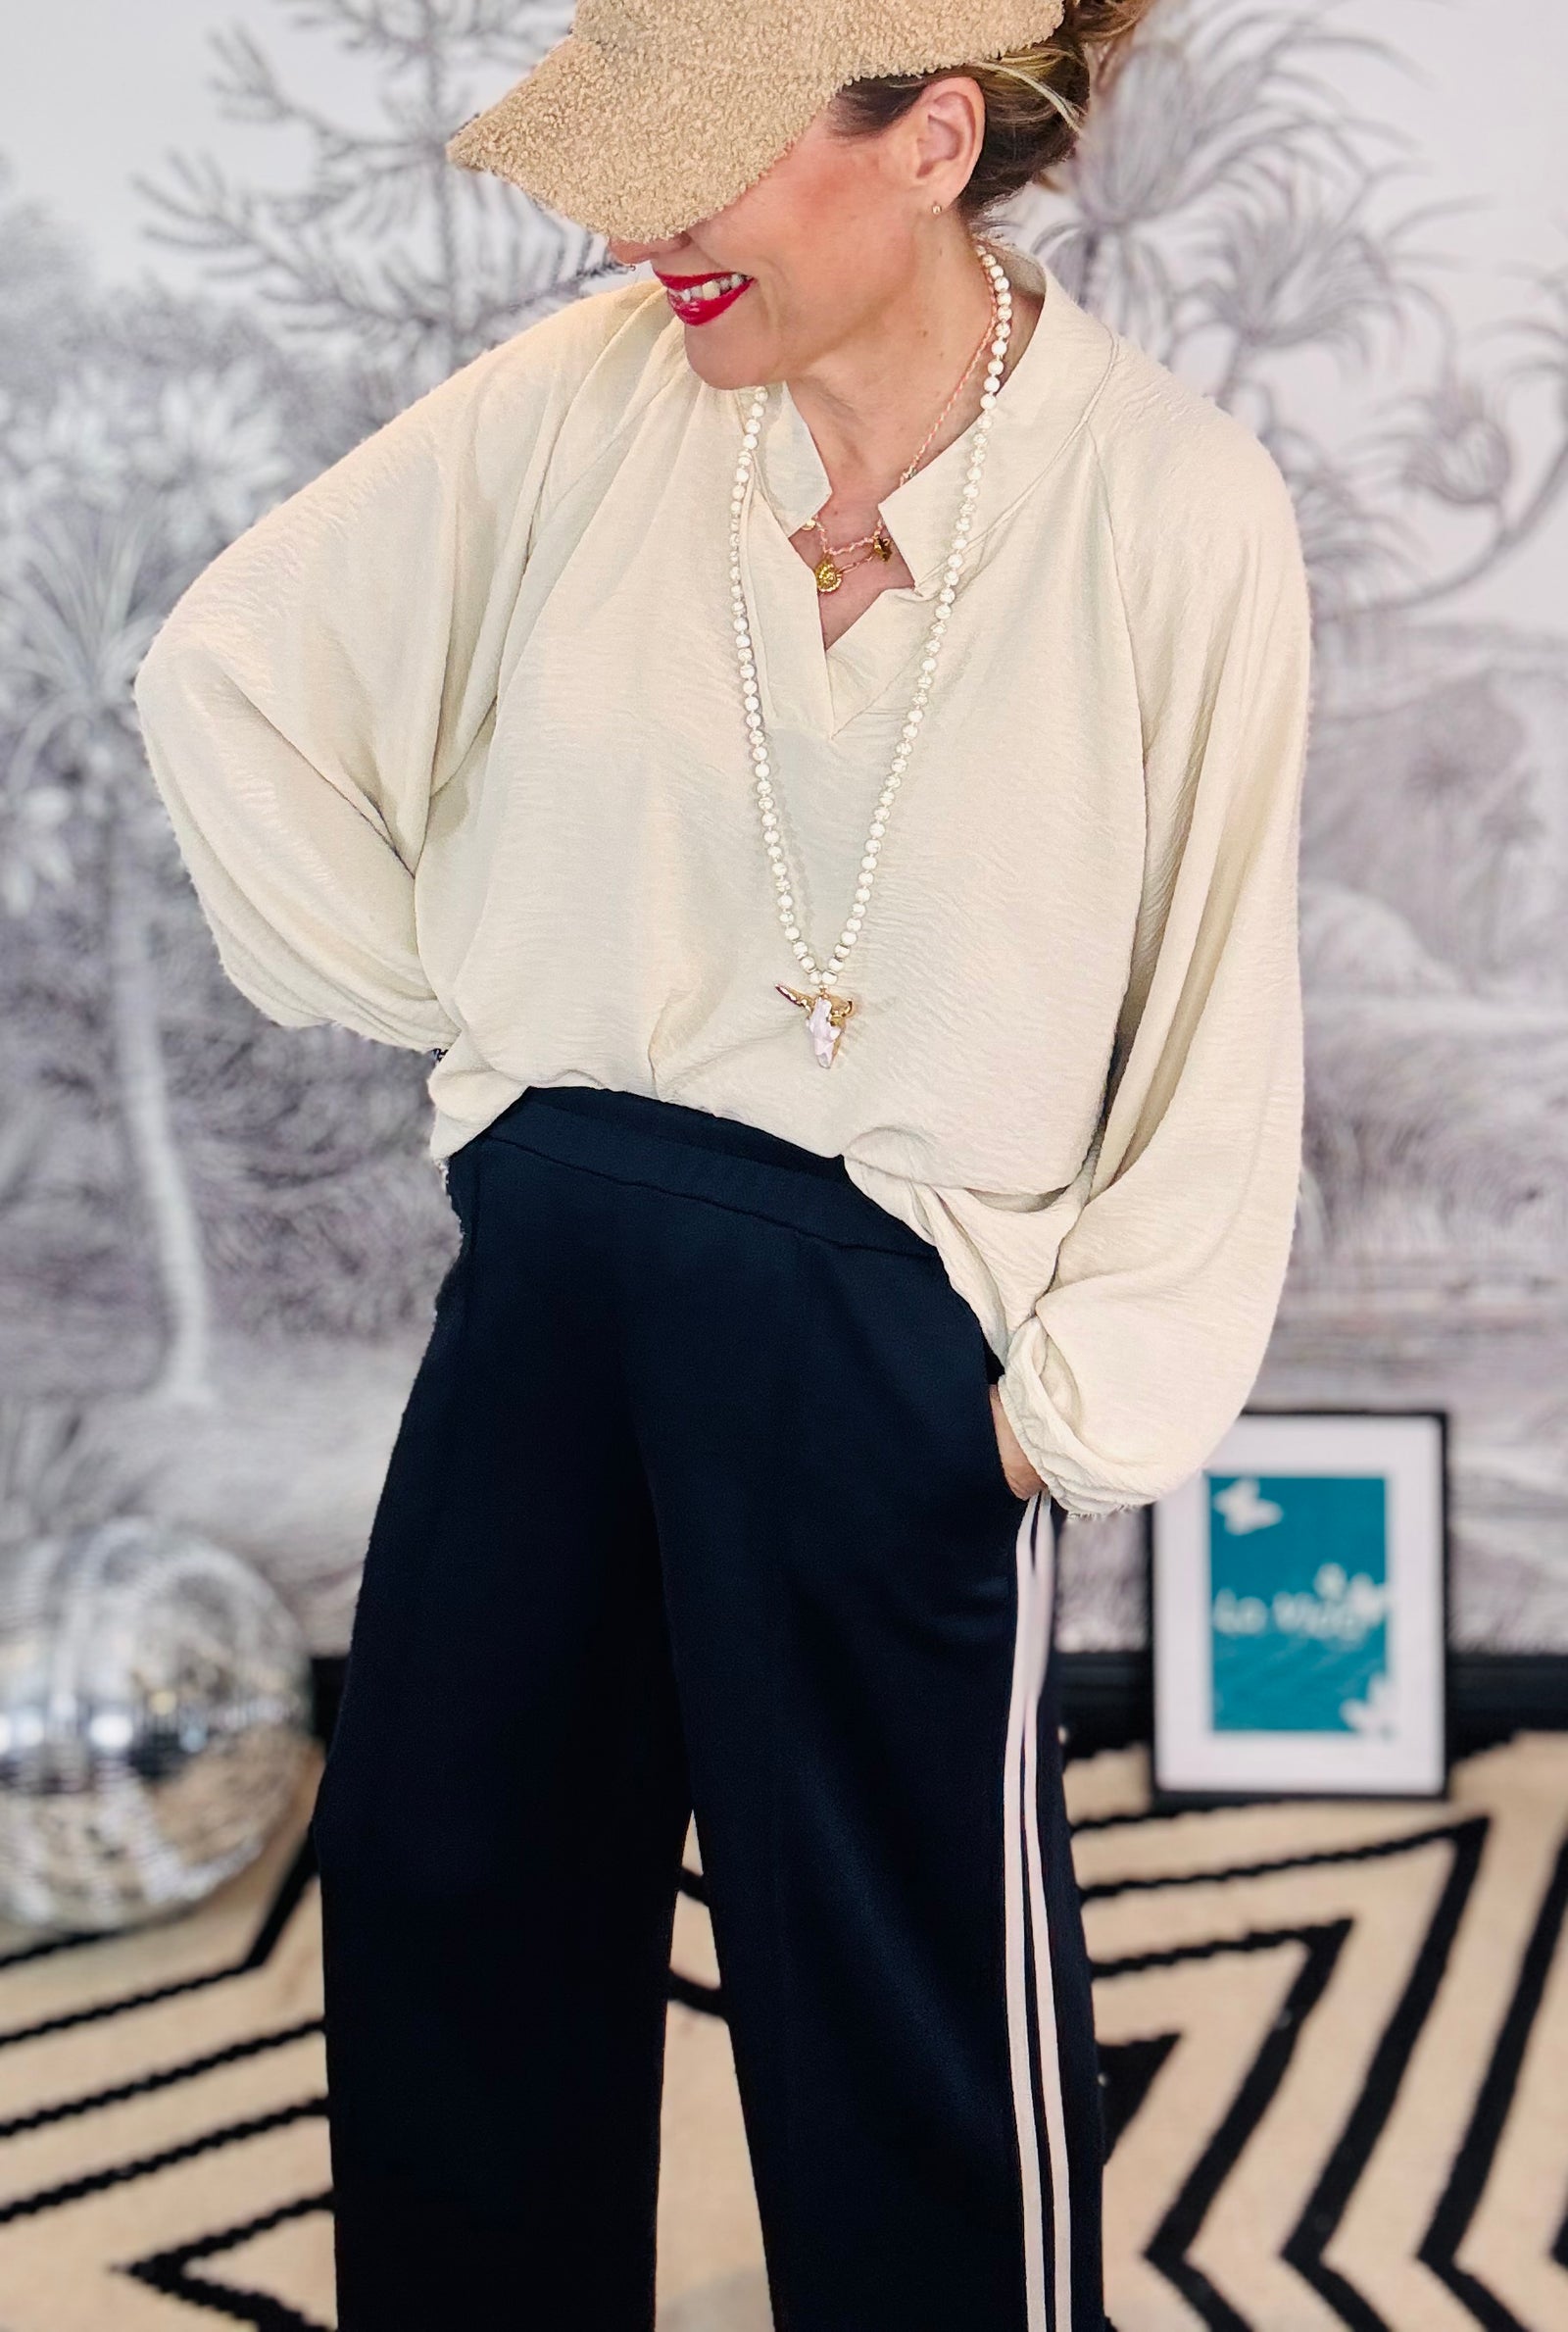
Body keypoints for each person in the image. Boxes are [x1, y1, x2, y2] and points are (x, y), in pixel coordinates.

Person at [131, 2, 1312, 2324]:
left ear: (930, 140)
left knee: (894, 1996)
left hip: (876, 1333)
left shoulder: (1169, 507)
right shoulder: (585, 403)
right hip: (554, 1270)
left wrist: (1053, 1412)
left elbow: (1212, 1007)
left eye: (700, 160)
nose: (634, 230)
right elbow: (232, 671)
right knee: (449, 1889)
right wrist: (468, 1003)